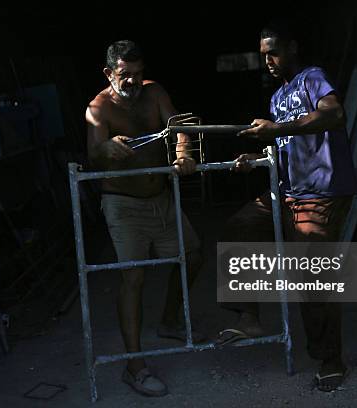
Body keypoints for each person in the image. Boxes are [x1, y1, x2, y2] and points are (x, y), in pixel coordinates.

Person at [216, 23, 357, 392]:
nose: (269, 60)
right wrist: (258, 156)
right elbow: (284, 149)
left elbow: (334, 115)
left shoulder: (313, 78)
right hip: (289, 189)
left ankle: (330, 360)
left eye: (274, 52)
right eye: (264, 54)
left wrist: (276, 130)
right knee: (240, 227)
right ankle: (249, 315)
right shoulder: (278, 97)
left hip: (321, 192)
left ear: (293, 48)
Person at [86, 40, 203, 397]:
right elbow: (93, 156)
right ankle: (134, 366)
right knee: (133, 277)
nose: (133, 81)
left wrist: (183, 153)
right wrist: (106, 150)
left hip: (161, 196)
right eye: (125, 75)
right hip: (123, 203)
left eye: (138, 74)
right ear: (109, 74)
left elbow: (180, 124)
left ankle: (169, 320)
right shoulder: (98, 108)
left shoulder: (155, 94)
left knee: (194, 255)